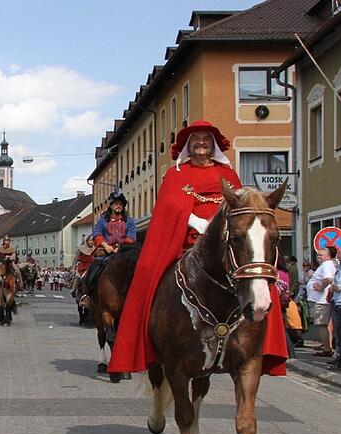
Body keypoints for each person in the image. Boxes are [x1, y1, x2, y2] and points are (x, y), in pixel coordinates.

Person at [109, 119, 288, 375]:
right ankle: (141, 340)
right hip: (186, 239)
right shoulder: (176, 174)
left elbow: (241, 208)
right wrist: (194, 221)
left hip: (224, 241)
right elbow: (169, 205)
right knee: (147, 270)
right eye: (195, 140)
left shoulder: (227, 174)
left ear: (212, 144)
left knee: (258, 274)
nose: (201, 143)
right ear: (188, 146)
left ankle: (264, 342)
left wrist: (217, 226)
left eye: (205, 139)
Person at [306, 247, 338, 357]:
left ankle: (327, 348)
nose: (318, 257)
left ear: (328, 256)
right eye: (317, 255)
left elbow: (328, 279)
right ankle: (327, 345)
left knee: (321, 324)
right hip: (321, 299)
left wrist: (320, 287)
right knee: (325, 324)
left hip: (321, 300)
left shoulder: (327, 265)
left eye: (321, 255)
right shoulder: (326, 265)